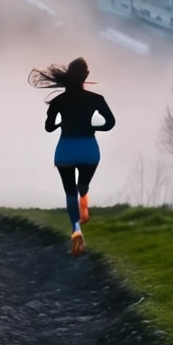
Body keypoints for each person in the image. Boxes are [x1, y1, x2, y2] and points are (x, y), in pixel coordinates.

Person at [30, 57, 116, 256]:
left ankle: (76, 229)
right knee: (82, 184)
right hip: (88, 148)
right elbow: (110, 123)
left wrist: (61, 123)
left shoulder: (58, 101)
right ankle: (84, 190)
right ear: (86, 75)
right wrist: (93, 126)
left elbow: (49, 127)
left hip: (66, 149)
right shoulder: (96, 99)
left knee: (69, 192)